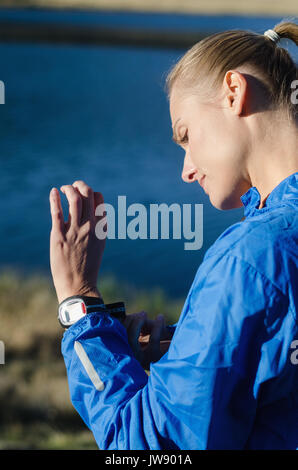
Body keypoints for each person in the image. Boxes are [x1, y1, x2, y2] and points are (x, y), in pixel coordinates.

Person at [49, 21, 298, 450]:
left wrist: (79, 303)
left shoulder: (252, 258)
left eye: (185, 136)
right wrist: (185, 347)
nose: (186, 170)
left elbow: (153, 445)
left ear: (234, 92)